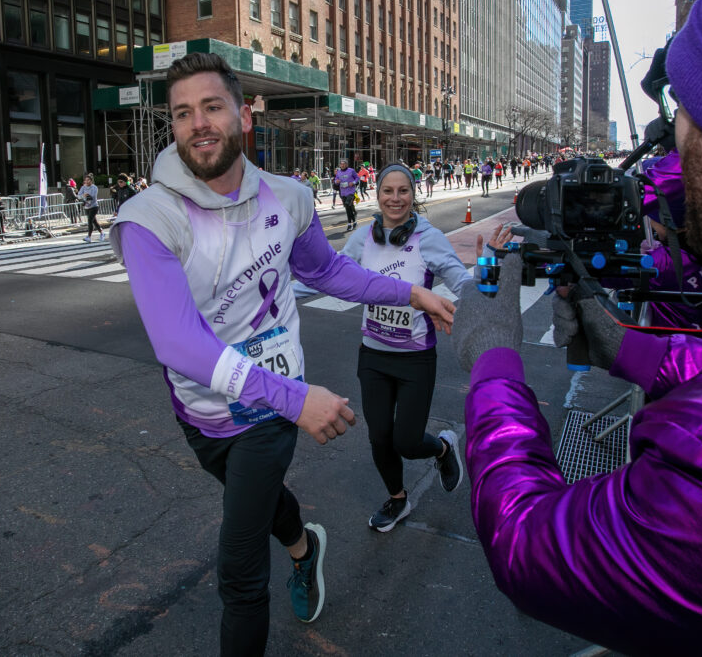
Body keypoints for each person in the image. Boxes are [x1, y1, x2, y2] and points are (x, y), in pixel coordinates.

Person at [450, 0, 702, 651]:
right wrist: (628, 347)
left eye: (683, 109)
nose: (673, 142)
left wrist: (493, 355)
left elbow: (529, 543)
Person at [107, 52, 455, 657]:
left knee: (238, 571)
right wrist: (300, 400)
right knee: (261, 502)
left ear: (245, 115)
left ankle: (287, 565)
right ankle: (304, 548)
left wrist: (413, 291)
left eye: (212, 107)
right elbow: (177, 343)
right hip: (203, 411)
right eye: (183, 112)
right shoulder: (148, 218)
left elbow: (328, 272)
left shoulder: (289, 198)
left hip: (270, 410)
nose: (199, 123)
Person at [341, 163, 470, 531]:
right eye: (387, 191)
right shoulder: (363, 238)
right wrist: (274, 296)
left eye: (403, 191)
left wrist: (482, 303)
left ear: (414, 195)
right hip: (373, 356)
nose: (395, 199)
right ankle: (399, 500)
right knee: (379, 437)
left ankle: (443, 449)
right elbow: (330, 273)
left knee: (408, 441)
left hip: (415, 360)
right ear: (377, 194)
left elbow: (458, 277)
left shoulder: (427, 237)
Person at [333, 158, 360, 230]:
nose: (342, 165)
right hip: (343, 192)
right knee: (347, 208)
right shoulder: (338, 172)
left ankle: (349, 224)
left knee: (348, 205)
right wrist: (336, 181)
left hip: (351, 192)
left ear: (346, 164)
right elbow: (335, 180)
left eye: (344, 164)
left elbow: (357, 178)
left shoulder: (351, 170)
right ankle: (354, 221)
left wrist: (353, 183)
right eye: (341, 164)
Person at [78, 174, 103, 241]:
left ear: (91, 181)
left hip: (94, 206)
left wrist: (87, 196)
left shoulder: (94, 187)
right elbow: (79, 195)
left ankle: (89, 236)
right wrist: (83, 195)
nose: (87, 181)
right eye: (86, 180)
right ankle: (101, 232)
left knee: (89, 221)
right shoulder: (83, 187)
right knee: (94, 221)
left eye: (88, 180)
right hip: (86, 207)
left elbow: (93, 197)